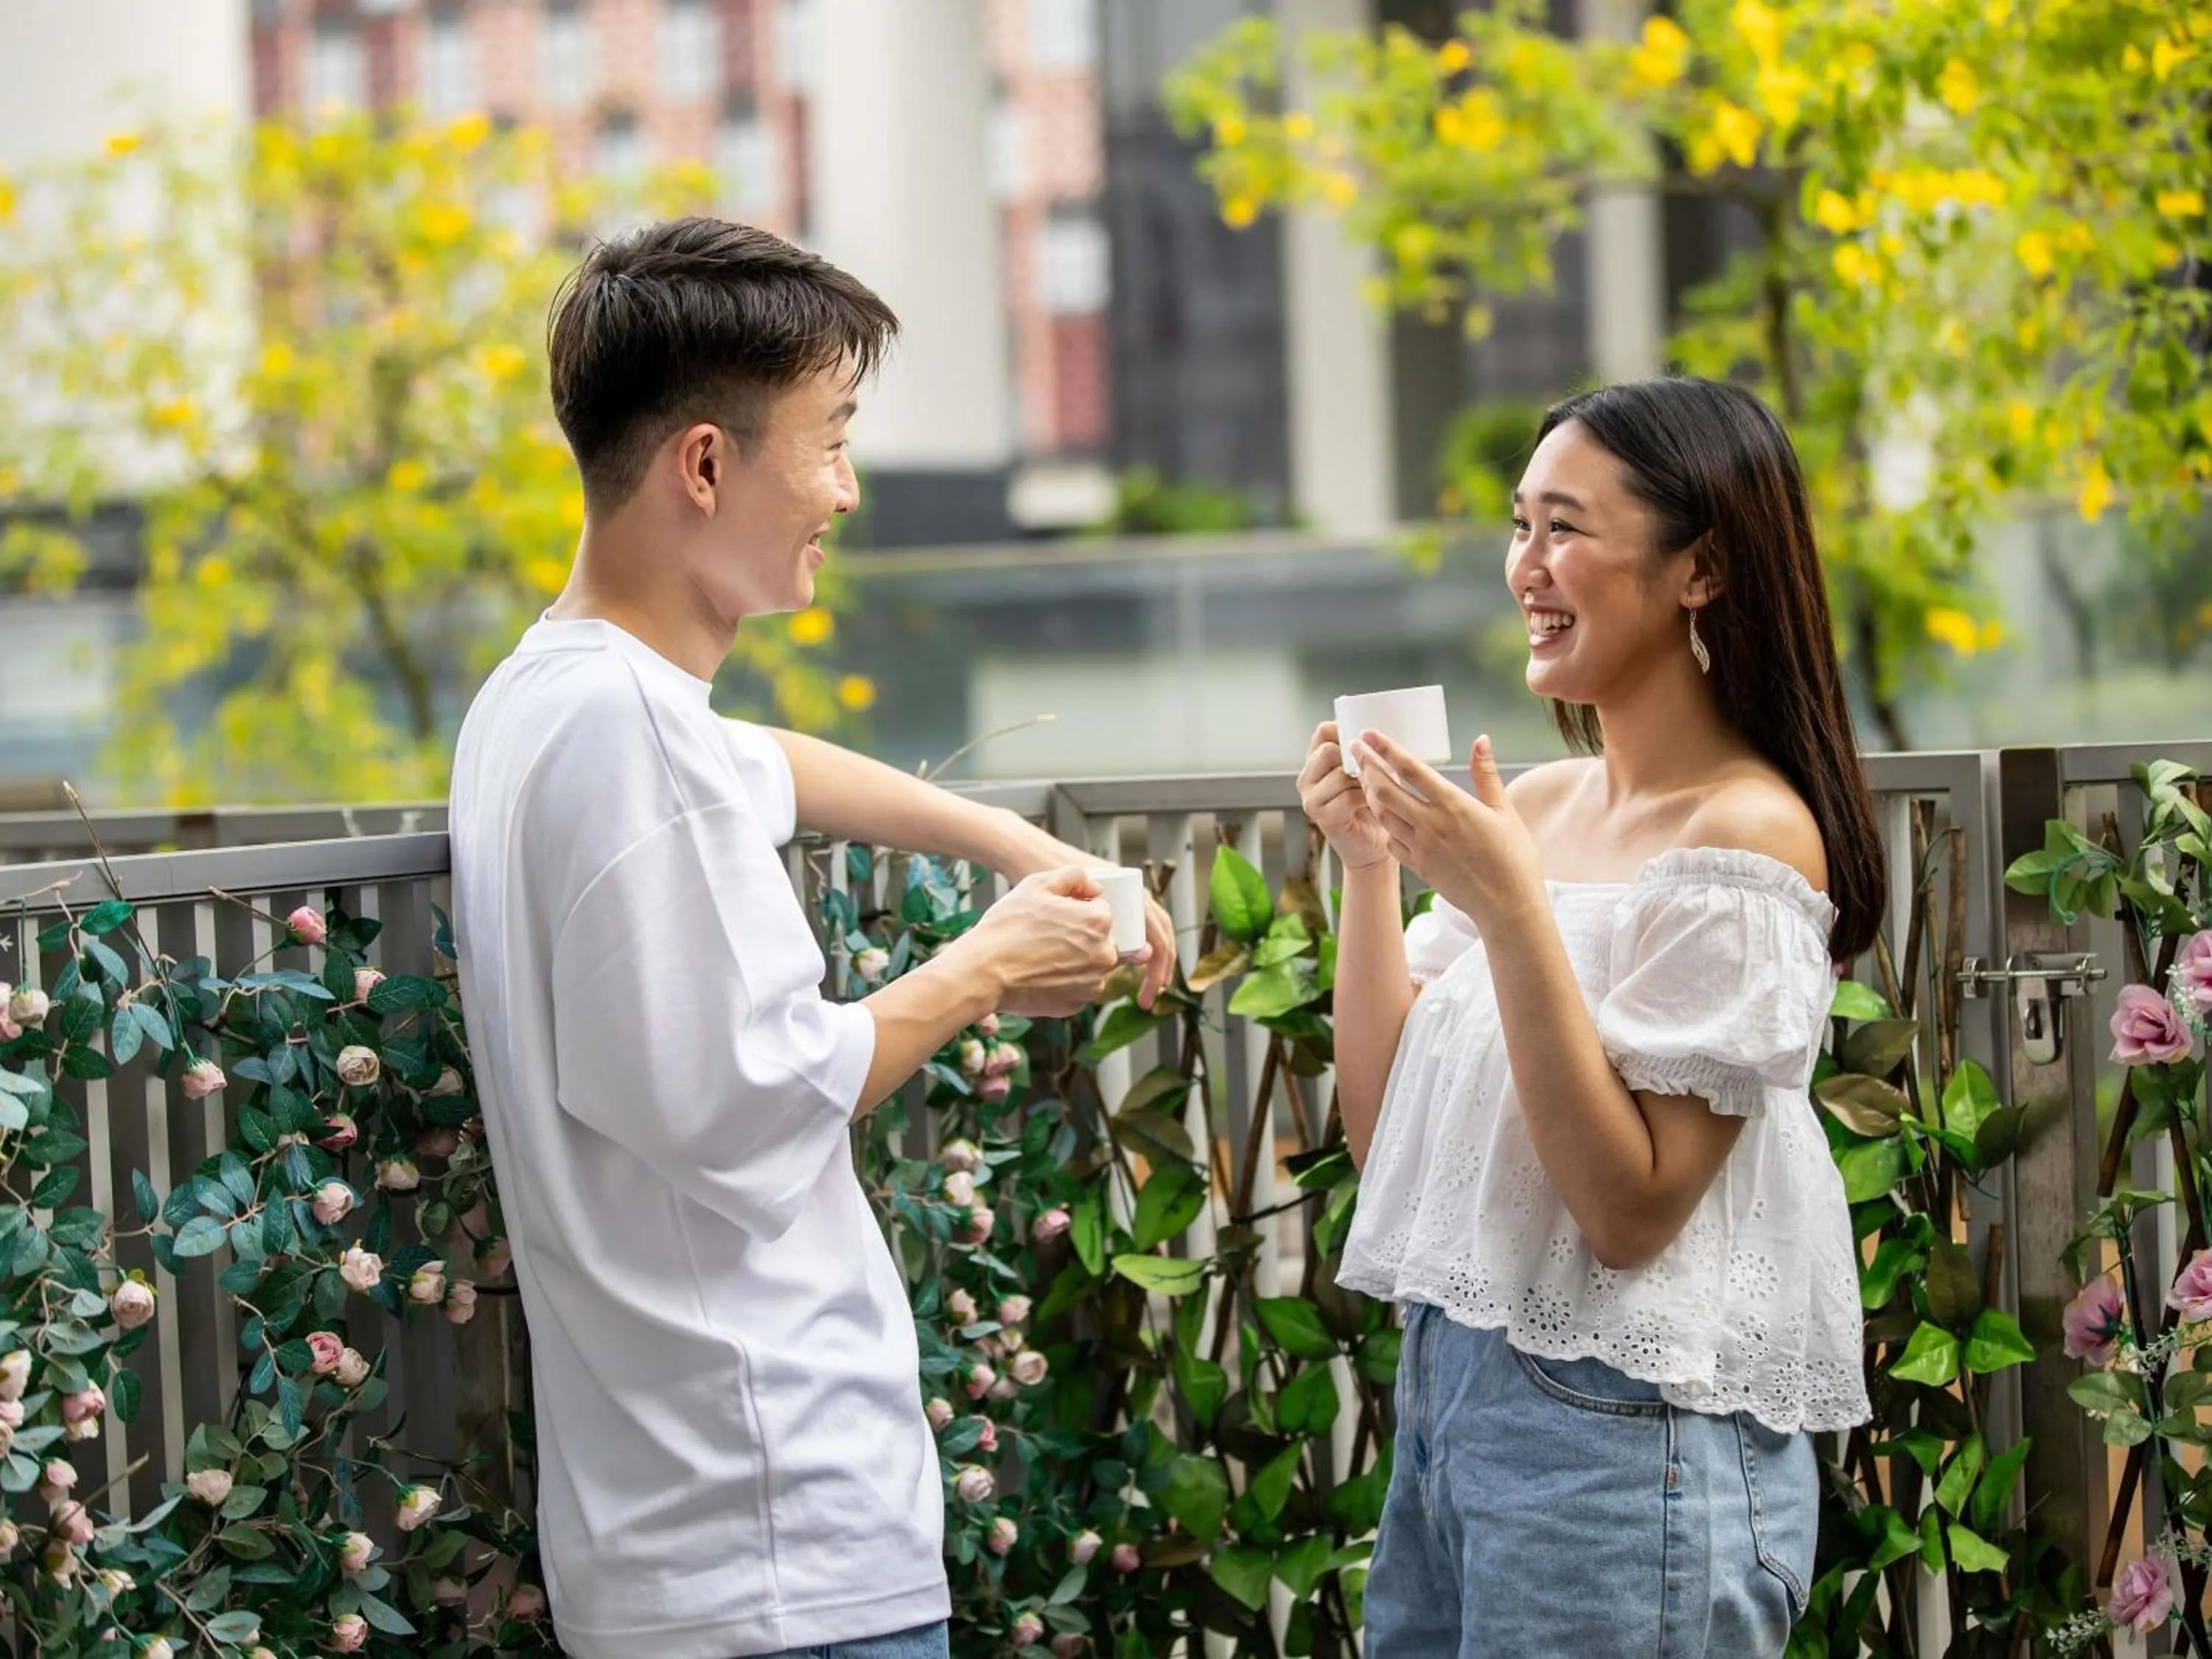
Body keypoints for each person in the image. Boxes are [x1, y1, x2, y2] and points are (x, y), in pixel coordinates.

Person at [447, 218, 1175, 1659]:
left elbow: (758, 763)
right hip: (767, 1533)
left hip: (682, 1532)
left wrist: (1026, 848)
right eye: (830, 440)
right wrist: (984, 967)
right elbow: (746, 1100)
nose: (845, 490)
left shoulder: (553, 698)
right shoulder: (627, 731)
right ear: (706, 465)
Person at [1300, 377, 1882, 1657]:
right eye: (1520, 526)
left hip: (1632, 1446)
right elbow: (1382, 1133)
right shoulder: (1547, 811)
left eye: (1566, 527)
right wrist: (1370, 869)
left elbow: (1629, 1213)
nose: (1527, 566)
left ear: (1702, 568)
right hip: (1459, 1404)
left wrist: (1511, 909)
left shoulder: (1750, 836)